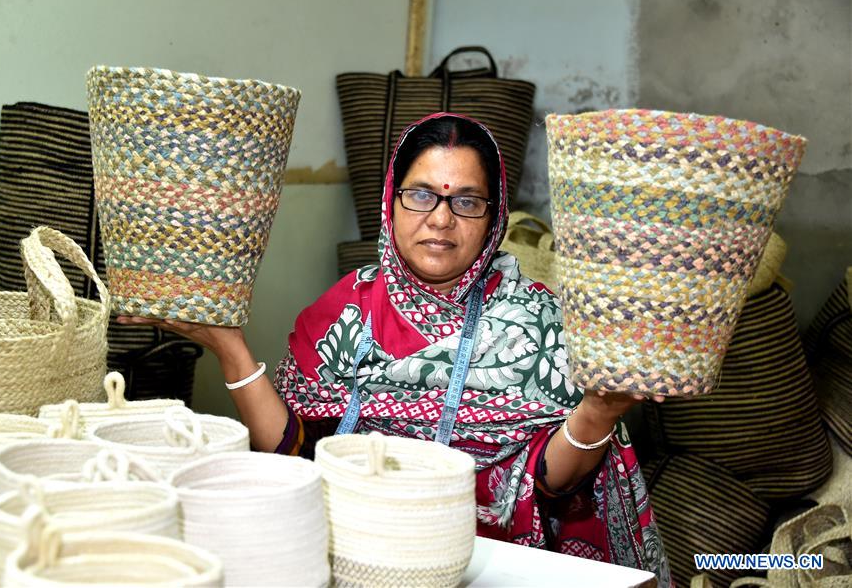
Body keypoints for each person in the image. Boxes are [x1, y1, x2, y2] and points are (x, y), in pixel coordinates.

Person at [120, 112, 672, 586]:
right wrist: (232, 351)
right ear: (391, 199)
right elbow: (294, 456)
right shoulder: (341, 312)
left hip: (494, 565)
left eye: (467, 202)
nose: (440, 218)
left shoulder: (541, 323)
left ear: (494, 215)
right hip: (359, 560)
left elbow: (553, 482)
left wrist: (600, 410)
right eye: (421, 194)